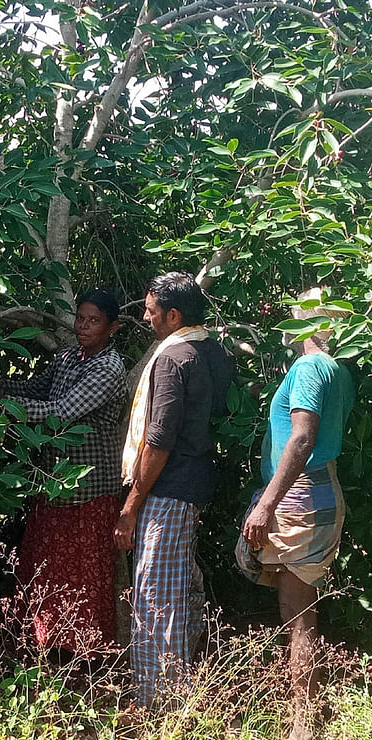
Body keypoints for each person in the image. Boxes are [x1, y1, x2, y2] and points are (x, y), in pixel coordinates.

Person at [235, 288, 354, 740]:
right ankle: (304, 717)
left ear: (307, 323)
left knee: (298, 614)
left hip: (300, 495)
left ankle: (302, 728)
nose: (287, 324)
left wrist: (266, 505)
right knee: (298, 609)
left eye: (294, 316)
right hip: (318, 489)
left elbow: (302, 438)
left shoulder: (308, 368)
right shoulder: (336, 369)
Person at [116, 272, 234, 708]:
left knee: (154, 595)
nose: (146, 319)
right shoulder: (212, 349)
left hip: (169, 489)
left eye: (150, 312)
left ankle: (161, 703)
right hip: (195, 482)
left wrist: (132, 505)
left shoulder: (173, 358)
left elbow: (159, 438)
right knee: (177, 587)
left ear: (173, 315)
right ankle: (172, 694)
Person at [6, 289, 128, 651]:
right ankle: (47, 650)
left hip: (89, 491)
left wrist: (0, 405)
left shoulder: (108, 368)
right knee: (47, 571)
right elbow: (34, 390)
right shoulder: (67, 358)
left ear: (113, 328)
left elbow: (60, 412)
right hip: (53, 487)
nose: (83, 327)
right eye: (80, 318)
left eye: (94, 321)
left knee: (82, 578)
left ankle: (85, 658)